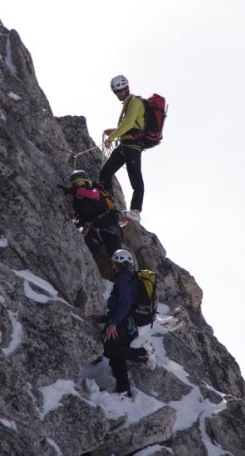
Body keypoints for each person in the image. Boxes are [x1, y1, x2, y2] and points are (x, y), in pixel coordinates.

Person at [92, 249, 156, 399]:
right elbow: (123, 305)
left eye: (114, 263)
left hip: (123, 324)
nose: (113, 266)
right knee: (116, 358)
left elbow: (125, 303)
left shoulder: (122, 280)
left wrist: (113, 323)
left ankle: (144, 354)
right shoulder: (128, 279)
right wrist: (103, 319)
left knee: (110, 351)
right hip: (126, 323)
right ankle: (124, 391)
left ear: (118, 263)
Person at [100, 75, 145, 223]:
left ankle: (135, 211)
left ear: (127, 88)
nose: (119, 94)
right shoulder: (128, 103)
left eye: (120, 90)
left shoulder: (135, 102)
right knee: (105, 172)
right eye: (116, 92)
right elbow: (129, 125)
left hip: (132, 145)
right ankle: (109, 204)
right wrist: (114, 131)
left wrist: (112, 136)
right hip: (125, 144)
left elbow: (129, 123)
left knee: (136, 179)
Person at [67, 169, 122, 259]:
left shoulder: (95, 190)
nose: (80, 186)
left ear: (86, 182)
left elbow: (93, 195)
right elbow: (79, 216)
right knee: (85, 255)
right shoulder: (76, 201)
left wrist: (77, 191)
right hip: (93, 231)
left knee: (117, 257)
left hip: (108, 227)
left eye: (81, 183)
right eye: (77, 184)